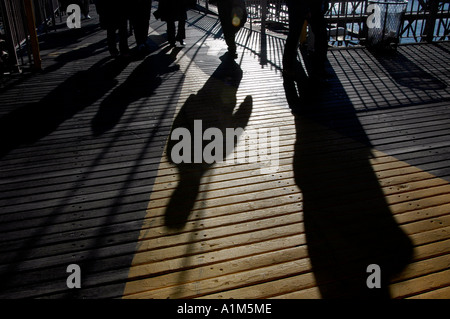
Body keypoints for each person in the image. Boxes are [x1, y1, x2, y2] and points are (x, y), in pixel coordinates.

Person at [283, 0, 329, 79]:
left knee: (321, 38)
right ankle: (288, 68)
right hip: (301, 7)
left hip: (307, 7)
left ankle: (318, 68)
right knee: (294, 36)